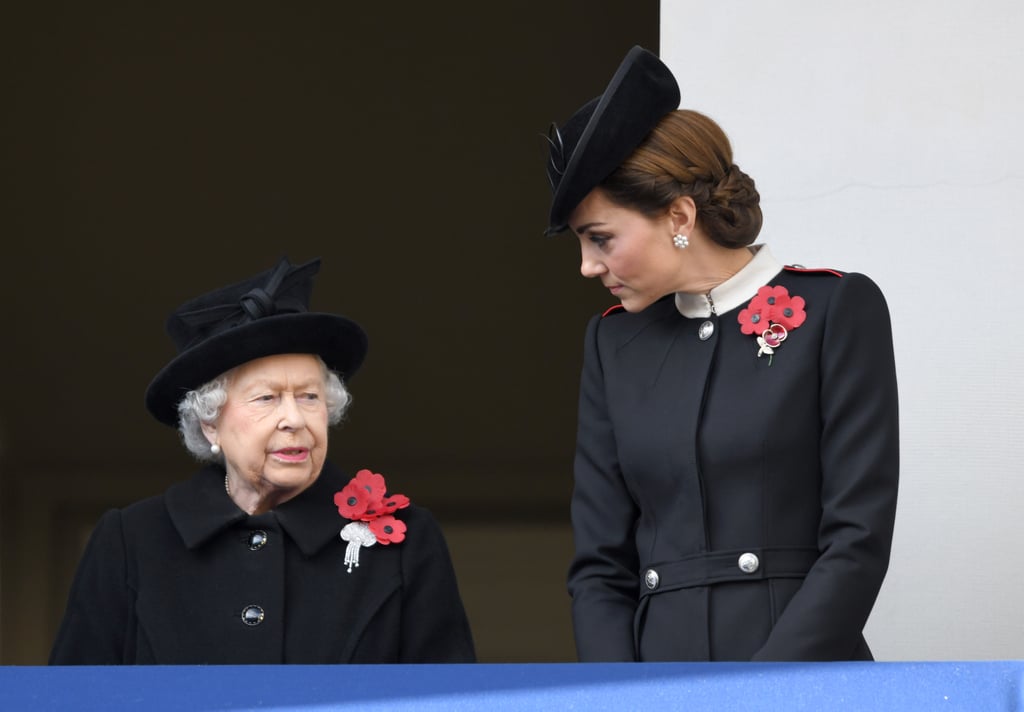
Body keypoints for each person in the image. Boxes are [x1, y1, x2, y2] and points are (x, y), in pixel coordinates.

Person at [543, 46, 899, 662]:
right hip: (656, 686)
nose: (587, 266)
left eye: (601, 239)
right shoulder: (612, 343)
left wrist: (760, 695)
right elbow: (600, 568)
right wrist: (621, 701)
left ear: (680, 215)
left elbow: (857, 540)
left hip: (800, 679)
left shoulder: (835, 310)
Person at [50, 257, 476, 664]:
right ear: (210, 423)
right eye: (266, 398)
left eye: (309, 397)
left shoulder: (403, 543)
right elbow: (69, 700)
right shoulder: (131, 542)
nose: (294, 419)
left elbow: (448, 699)